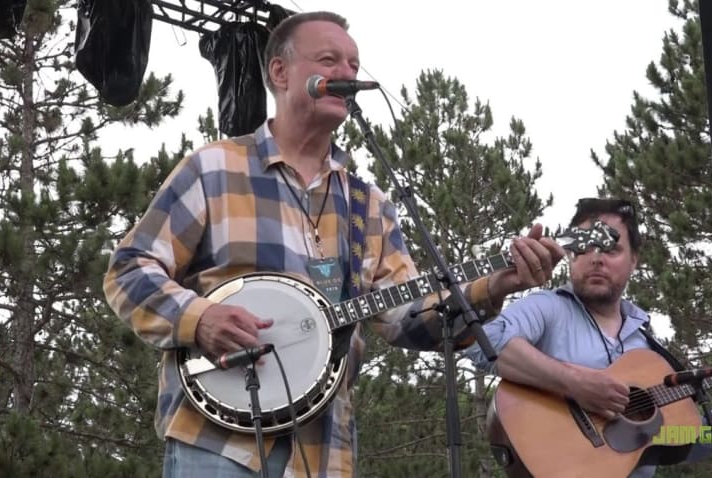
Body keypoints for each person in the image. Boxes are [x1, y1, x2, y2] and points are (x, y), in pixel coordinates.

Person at [102, 10, 565, 478]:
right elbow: (128, 270)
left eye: (354, 64)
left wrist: (496, 284)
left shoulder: (367, 204)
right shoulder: (214, 169)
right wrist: (200, 320)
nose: (347, 74)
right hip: (218, 442)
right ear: (280, 73)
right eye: (330, 60)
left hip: (324, 451)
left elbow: (408, 318)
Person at [464, 197, 712, 477]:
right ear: (571, 256)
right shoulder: (548, 309)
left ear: (634, 261)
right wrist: (574, 383)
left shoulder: (647, 351)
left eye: (610, 248)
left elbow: (692, 439)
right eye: (585, 248)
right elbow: (485, 345)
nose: (596, 257)